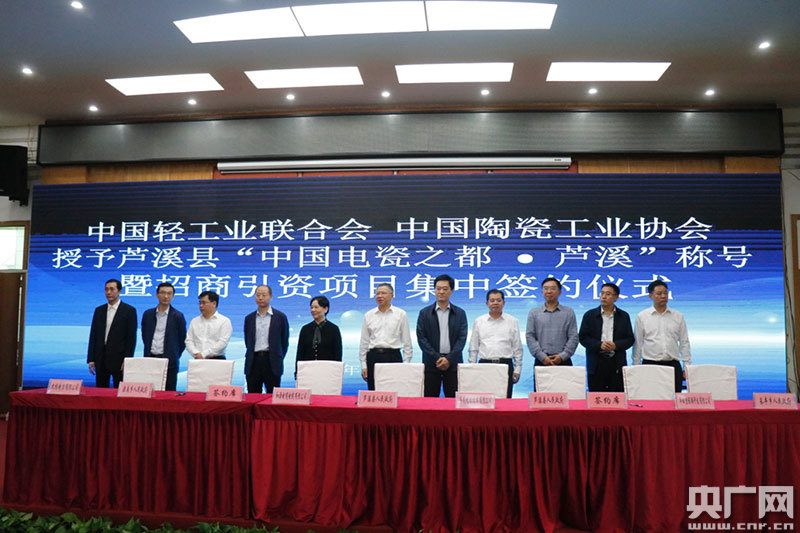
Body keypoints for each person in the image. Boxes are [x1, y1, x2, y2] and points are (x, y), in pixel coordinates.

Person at [634, 280, 691, 392]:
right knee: (650, 396)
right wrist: (636, 367)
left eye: (665, 293)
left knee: (674, 398)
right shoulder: (643, 316)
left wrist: (687, 367)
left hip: (673, 364)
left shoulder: (678, 316)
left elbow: (684, 342)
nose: (663, 296)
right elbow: (638, 343)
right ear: (650, 296)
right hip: (650, 364)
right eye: (659, 293)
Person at [416, 274, 468, 397]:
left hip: (453, 363)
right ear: (434, 291)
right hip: (431, 363)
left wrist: (448, 359)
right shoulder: (424, 313)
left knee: (453, 400)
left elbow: (462, 339)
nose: (441, 292)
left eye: (445, 289)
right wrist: (437, 358)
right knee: (430, 400)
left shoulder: (460, 313)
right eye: (438, 289)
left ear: (451, 292)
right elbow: (421, 338)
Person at [578, 283, 634, 392]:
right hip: (596, 363)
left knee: (617, 396)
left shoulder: (623, 316)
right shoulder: (590, 315)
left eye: (608, 294)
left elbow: (630, 339)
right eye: (602, 293)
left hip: (616, 363)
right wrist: (599, 345)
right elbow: (583, 338)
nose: (603, 297)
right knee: (596, 397)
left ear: (616, 297)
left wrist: (615, 345)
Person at [469, 289, 523, 398]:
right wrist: (472, 368)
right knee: (484, 399)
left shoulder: (512, 321)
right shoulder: (479, 321)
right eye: (492, 300)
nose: (495, 303)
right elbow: (474, 347)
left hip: (505, 365)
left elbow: (517, 347)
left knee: (505, 399)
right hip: (485, 365)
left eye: (498, 300)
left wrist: (517, 369)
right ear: (487, 303)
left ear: (503, 303)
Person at [359, 283, 413, 390]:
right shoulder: (369, 315)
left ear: (392, 296)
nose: (379, 296)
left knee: (393, 391)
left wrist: (406, 364)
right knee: (374, 391)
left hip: (393, 356)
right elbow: (364, 342)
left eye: (383, 293)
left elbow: (407, 342)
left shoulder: (400, 314)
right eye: (377, 293)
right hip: (373, 357)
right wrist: (364, 365)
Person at [87, 279, 137, 388]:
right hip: (101, 358)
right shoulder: (99, 310)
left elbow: (131, 338)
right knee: (101, 390)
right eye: (106, 289)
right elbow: (93, 335)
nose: (108, 292)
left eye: (112, 289)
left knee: (118, 390)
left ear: (119, 291)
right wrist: (91, 359)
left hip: (119, 358)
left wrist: (128, 360)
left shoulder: (129, 310)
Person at [141, 282, 187, 391]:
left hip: (169, 361)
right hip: (150, 359)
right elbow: (145, 336)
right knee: (150, 392)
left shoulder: (178, 316)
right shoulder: (148, 314)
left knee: (169, 393)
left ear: (173, 296)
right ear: (157, 294)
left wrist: (174, 354)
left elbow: (182, 340)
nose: (166, 296)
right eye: (163, 293)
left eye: (169, 293)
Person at [526, 277, 579, 371]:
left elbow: (573, 336)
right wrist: (542, 357)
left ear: (559, 292)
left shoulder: (568, 312)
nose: (549, 291)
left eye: (553, 288)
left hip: (564, 361)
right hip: (541, 361)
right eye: (545, 288)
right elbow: (530, 336)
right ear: (542, 291)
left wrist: (562, 356)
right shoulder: (534, 313)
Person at [244, 285, 290, 393]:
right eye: (258, 295)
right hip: (253, 362)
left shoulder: (280, 317)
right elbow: (248, 341)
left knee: (272, 396)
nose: (260, 298)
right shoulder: (249, 318)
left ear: (271, 297)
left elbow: (284, 342)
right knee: (253, 396)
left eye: (264, 295)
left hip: (272, 362)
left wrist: (277, 356)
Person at [295, 295, 342, 376]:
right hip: (308, 372)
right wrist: (298, 372)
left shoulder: (334, 329)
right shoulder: (305, 329)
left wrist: (337, 373)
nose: (313, 310)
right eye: (311, 307)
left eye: (316, 307)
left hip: (328, 372)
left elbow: (337, 354)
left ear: (325, 309)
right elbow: (300, 353)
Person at [185, 291, 232, 360]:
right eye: (200, 303)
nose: (201, 306)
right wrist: (196, 353)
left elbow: (223, 342)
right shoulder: (194, 321)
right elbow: (189, 340)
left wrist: (204, 354)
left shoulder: (224, 321)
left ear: (214, 304)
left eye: (204, 303)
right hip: (197, 359)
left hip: (217, 359)